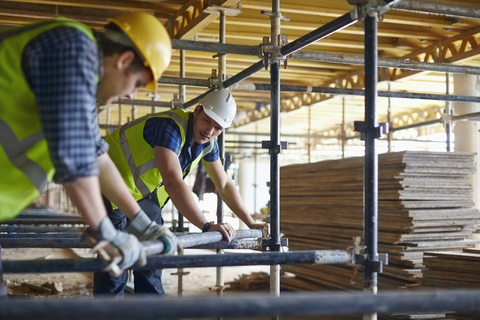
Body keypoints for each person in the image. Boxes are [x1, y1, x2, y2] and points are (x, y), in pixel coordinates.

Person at [0, 11, 176, 289]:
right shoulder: (74, 48)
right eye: (138, 84)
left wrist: (142, 223)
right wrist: (105, 230)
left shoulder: (81, 86)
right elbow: (74, 158)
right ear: (125, 60)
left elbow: (96, 156)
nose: (132, 95)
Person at [94, 90, 268, 297]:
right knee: (115, 267)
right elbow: (172, 181)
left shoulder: (208, 144)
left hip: (141, 198)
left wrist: (249, 222)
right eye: (207, 121)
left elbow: (224, 184)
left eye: (218, 128)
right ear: (197, 111)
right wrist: (206, 225)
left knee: (153, 258)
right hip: (108, 189)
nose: (210, 131)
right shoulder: (169, 128)